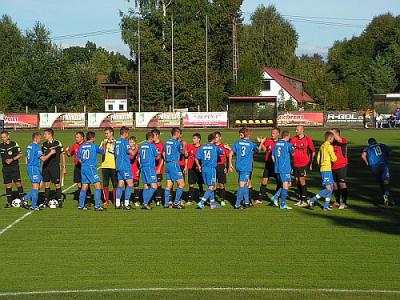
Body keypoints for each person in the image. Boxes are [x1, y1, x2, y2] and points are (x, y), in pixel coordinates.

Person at [23, 132, 55, 210]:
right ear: (36, 138)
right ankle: (33, 206)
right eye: (40, 138)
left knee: (40, 185)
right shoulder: (37, 147)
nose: (40, 140)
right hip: (34, 168)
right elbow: (43, 159)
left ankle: (25, 199)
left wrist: (28, 164)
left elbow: (26, 157)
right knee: (36, 187)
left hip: (33, 168)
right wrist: (51, 153)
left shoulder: (29, 146)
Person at [229, 128, 258, 209]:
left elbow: (231, 153)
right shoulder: (251, 143)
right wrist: (261, 142)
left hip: (238, 165)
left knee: (245, 184)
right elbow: (258, 149)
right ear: (248, 135)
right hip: (246, 167)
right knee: (242, 185)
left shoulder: (237, 142)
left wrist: (230, 164)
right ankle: (237, 204)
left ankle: (247, 202)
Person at [308, 131, 337, 211]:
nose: (333, 139)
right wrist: (334, 158)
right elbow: (334, 158)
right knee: (328, 188)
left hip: (325, 168)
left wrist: (320, 164)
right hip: (326, 169)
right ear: (330, 138)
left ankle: (326, 206)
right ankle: (312, 200)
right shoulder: (329, 147)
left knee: (331, 188)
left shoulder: (322, 146)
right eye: (333, 138)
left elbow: (318, 158)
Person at [77, 132, 105, 211]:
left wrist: (84, 163)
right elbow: (103, 152)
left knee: (84, 186)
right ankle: (97, 206)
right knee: (98, 185)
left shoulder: (82, 146)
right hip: (91, 167)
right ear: (93, 138)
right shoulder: (94, 145)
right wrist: (103, 145)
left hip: (83, 167)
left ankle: (81, 205)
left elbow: (79, 158)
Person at [195, 133, 224, 209]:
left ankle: (212, 204)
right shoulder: (215, 147)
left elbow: (196, 158)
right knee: (212, 186)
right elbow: (222, 152)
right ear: (214, 139)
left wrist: (199, 166)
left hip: (204, 169)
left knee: (210, 186)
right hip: (211, 169)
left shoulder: (202, 147)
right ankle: (201, 202)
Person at [361, 138, 393, 206]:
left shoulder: (367, 147)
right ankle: (387, 195)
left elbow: (363, 156)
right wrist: (386, 157)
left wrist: (367, 163)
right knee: (386, 181)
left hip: (374, 167)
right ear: (375, 141)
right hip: (383, 165)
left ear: (369, 143)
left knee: (381, 182)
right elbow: (390, 152)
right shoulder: (382, 145)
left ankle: (385, 195)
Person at [290, 126, 315, 206]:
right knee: (297, 181)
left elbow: (313, 151)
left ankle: (304, 200)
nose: (296, 130)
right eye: (296, 129)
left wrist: (311, 163)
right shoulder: (293, 139)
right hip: (295, 163)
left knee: (302, 180)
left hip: (303, 163)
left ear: (302, 130)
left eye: (298, 129)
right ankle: (300, 199)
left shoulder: (307, 139)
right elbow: (290, 149)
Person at [0, 131, 25, 208]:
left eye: (4, 137)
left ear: (8, 136)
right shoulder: (0, 146)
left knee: (18, 183)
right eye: (1, 137)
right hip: (5, 169)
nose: (3, 139)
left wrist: (12, 159)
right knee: (8, 185)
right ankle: (9, 203)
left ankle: (23, 201)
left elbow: (20, 154)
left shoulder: (14, 144)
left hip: (14, 168)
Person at [42, 128, 66, 208]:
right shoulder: (44, 144)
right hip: (46, 167)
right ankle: (46, 200)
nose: (44, 136)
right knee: (47, 184)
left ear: (50, 135)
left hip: (54, 167)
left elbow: (62, 155)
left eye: (45, 134)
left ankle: (59, 200)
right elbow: (42, 156)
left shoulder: (57, 143)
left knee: (57, 184)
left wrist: (64, 167)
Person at [65, 132, 91, 207]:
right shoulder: (75, 145)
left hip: (85, 166)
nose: (76, 138)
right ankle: (81, 200)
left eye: (77, 137)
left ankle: (88, 200)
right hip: (77, 167)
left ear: (82, 138)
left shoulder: (86, 144)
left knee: (86, 183)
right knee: (78, 183)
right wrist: (67, 151)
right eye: (76, 137)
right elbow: (70, 154)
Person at [115, 126, 137, 210]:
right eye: (128, 133)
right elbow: (132, 153)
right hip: (125, 166)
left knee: (120, 184)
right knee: (130, 184)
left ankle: (117, 204)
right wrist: (136, 149)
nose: (128, 135)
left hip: (118, 166)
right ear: (125, 133)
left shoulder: (117, 142)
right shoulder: (125, 142)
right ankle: (126, 204)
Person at [271, 131, 294, 210]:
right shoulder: (288, 145)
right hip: (285, 168)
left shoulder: (276, 144)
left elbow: (273, 156)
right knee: (285, 186)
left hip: (278, 168)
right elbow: (293, 153)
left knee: (288, 184)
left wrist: (277, 164)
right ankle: (283, 204)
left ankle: (275, 197)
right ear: (288, 136)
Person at [257, 127, 280, 204]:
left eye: (273, 133)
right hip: (268, 164)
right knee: (264, 181)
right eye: (271, 132)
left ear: (278, 134)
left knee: (279, 183)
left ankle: (276, 198)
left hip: (277, 165)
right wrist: (262, 143)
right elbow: (264, 150)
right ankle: (260, 199)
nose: (272, 134)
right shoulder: (268, 140)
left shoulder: (280, 143)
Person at [163, 128, 185, 209]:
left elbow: (164, 152)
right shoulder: (177, 143)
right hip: (174, 164)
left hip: (168, 164)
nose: (181, 135)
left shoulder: (167, 142)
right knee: (182, 184)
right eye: (180, 134)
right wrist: (182, 144)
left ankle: (166, 204)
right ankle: (176, 203)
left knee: (169, 185)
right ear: (177, 133)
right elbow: (183, 152)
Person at [139, 132, 160, 210]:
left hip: (143, 167)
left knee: (146, 186)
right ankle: (145, 203)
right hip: (149, 167)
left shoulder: (142, 146)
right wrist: (159, 154)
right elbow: (157, 157)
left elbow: (139, 158)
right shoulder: (152, 146)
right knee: (154, 186)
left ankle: (145, 202)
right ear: (151, 138)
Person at [331, 128, 349, 209]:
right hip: (332, 166)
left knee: (342, 184)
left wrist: (333, 134)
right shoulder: (330, 143)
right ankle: (337, 201)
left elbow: (340, 140)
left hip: (341, 165)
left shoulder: (343, 140)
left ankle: (344, 202)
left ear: (337, 134)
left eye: (332, 133)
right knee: (334, 185)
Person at [100, 127, 117, 208]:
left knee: (115, 184)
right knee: (105, 184)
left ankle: (115, 201)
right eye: (105, 133)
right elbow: (101, 151)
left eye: (107, 133)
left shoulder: (116, 142)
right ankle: (106, 201)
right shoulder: (103, 141)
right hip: (105, 166)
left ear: (111, 133)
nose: (106, 135)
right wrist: (104, 144)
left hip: (114, 166)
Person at [186, 133, 204, 205]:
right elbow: (186, 156)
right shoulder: (190, 146)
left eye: (195, 138)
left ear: (199, 139)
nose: (193, 140)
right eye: (193, 138)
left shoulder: (202, 148)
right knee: (191, 184)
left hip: (199, 168)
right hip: (191, 168)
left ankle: (201, 197)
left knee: (200, 183)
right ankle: (190, 199)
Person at [214, 131, 230, 206]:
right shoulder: (212, 146)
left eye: (216, 137)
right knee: (213, 184)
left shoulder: (224, 146)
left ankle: (222, 199)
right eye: (214, 137)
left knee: (221, 184)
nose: (215, 138)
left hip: (221, 167)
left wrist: (226, 167)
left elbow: (228, 157)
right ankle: (212, 199)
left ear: (220, 138)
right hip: (213, 167)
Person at [151, 129, 164, 206]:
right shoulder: (151, 144)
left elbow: (163, 158)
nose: (152, 137)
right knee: (151, 183)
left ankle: (158, 199)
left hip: (158, 168)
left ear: (157, 135)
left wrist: (159, 168)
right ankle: (151, 199)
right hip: (151, 167)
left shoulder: (162, 144)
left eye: (153, 136)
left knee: (158, 183)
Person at [129, 136, 141, 207]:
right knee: (128, 184)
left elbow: (139, 158)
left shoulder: (138, 149)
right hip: (128, 169)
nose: (131, 143)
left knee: (136, 185)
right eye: (130, 142)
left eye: (133, 142)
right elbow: (131, 157)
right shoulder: (128, 149)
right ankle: (127, 200)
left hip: (136, 169)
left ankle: (136, 200)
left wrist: (139, 168)